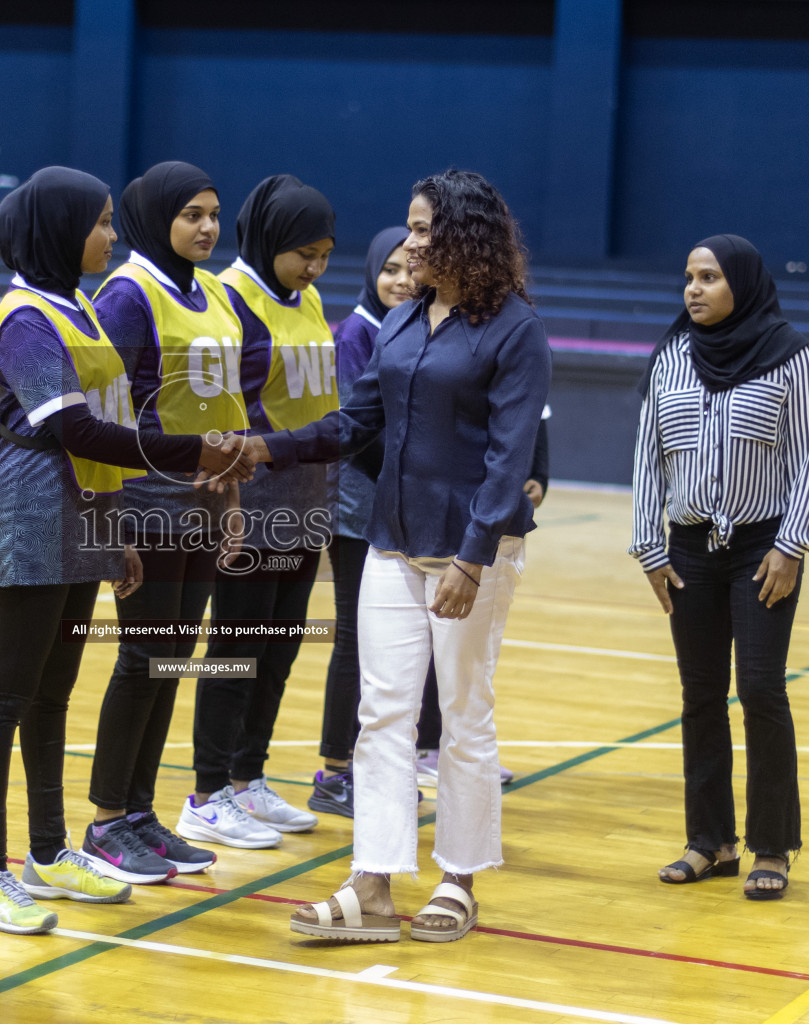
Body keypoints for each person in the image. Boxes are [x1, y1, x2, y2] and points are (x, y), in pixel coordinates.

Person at [219, 169, 549, 942]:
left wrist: (472, 558)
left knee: (463, 715)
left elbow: (510, 460)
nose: (410, 241)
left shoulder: (514, 329)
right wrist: (263, 446)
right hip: (391, 544)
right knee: (382, 714)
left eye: (425, 228)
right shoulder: (402, 323)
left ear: (465, 235)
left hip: (472, 549)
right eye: (408, 226)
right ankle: (371, 884)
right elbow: (352, 422)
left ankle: (459, 878)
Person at [0, 167, 252, 935]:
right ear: (61, 230)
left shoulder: (79, 309)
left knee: (53, 694)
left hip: (86, 515)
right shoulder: (26, 317)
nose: (111, 235)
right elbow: (77, 431)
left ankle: (49, 853)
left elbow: (104, 437)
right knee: (6, 697)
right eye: (98, 223)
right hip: (29, 514)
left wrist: (117, 527)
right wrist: (195, 452)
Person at [630, 233, 809, 900]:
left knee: (763, 689)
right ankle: (709, 842)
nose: (694, 289)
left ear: (741, 284)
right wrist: (649, 546)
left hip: (762, 549)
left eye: (710, 277)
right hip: (688, 551)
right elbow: (648, 456)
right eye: (688, 276)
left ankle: (773, 846)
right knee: (699, 695)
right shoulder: (671, 358)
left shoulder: (790, 356)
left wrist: (792, 544)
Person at [80, 161, 247, 883]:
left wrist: (233, 495)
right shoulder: (127, 295)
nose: (207, 227)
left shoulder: (211, 291)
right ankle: (107, 820)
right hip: (146, 507)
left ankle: (142, 813)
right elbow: (102, 415)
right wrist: (111, 524)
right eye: (192, 215)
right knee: (141, 660)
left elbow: (228, 405)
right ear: (159, 218)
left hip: (204, 507)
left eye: (213, 214)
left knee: (173, 659)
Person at [178, 174, 336, 850]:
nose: (316, 267)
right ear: (272, 240)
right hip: (252, 509)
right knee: (235, 652)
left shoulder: (310, 297)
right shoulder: (230, 299)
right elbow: (215, 412)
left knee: (277, 650)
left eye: (325, 254)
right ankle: (207, 792)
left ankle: (249, 778)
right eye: (305, 253)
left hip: (306, 507)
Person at [310, 226, 414, 818]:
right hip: (356, 512)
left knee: (385, 645)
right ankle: (333, 772)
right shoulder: (357, 332)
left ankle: (377, 764)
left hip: (397, 510)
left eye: (410, 269)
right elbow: (358, 430)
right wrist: (412, 480)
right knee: (353, 639)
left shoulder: (407, 328)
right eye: (390, 269)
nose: (401, 281)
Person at [414, 405, 550, 790]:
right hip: (433, 513)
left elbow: (537, 415)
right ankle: (424, 748)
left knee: (465, 660)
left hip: (486, 522)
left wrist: (539, 474)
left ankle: (450, 751)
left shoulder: (521, 351)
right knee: (426, 644)